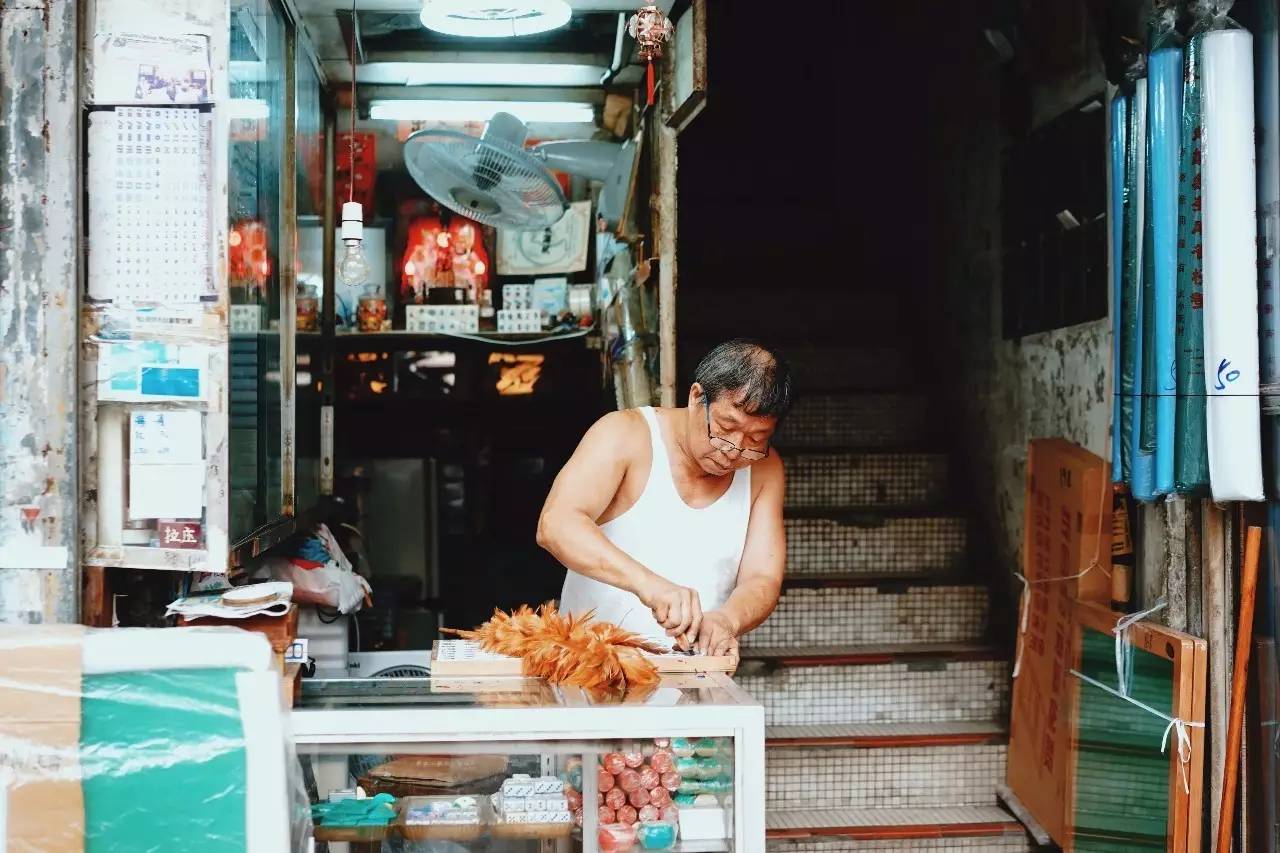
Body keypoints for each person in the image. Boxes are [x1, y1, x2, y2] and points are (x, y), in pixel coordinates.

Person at [537, 339, 792, 662]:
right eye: (726, 428)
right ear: (697, 397)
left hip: (693, 681)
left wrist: (728, 620)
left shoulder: (765, 469)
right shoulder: (625, 435)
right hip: (589, 671)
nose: (734, 450)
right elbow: (556, 525)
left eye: (755, 439)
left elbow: (762, 576)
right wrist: (649, 585)